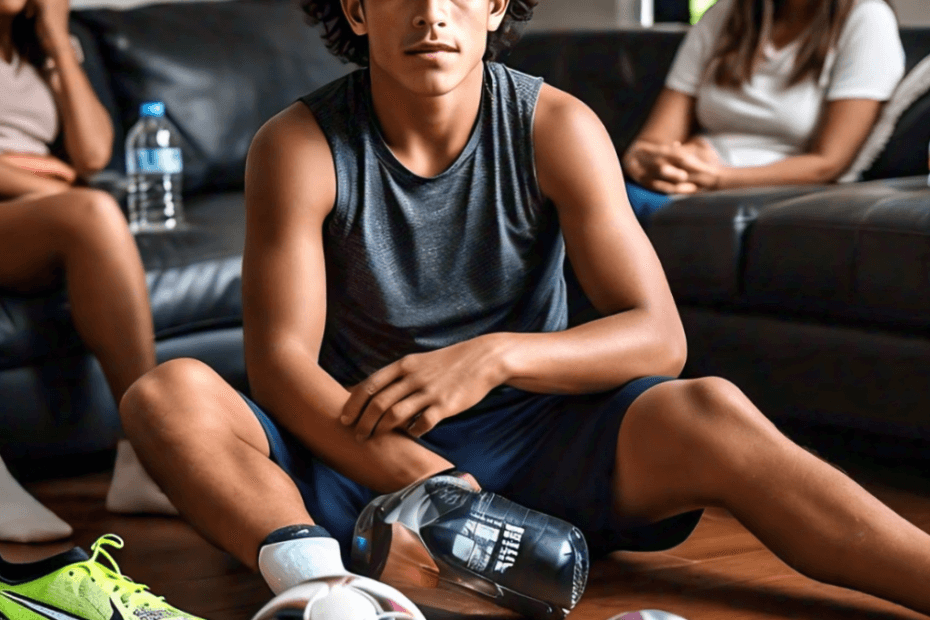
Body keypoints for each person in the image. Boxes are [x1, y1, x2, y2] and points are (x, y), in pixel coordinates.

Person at [118, 0, 930, 617]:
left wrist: (496, 354)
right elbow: (283, 369)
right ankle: (324, 591)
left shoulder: (558, 125)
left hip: (543, 442)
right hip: (363, 449)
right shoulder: (297, 145)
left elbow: (659, 337)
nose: (432, 14)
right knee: (166, 395)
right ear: (358, 11)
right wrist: (432, 487)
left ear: (499, 5)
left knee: (710, 405)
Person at [0, 0, 177, 545]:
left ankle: (144, 458)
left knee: (94, 210)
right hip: (35, 201)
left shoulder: (40, 48)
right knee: (93, 210)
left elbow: (95, 153)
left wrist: (55, 39)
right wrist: (47, 181)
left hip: (29, 218)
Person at [621, 0, 905, 223]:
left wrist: (718, 177)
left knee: (613, 212)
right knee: (595, 197)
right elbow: (651, 142)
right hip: (692, 176)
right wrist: (655, 164)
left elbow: (829, 163)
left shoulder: (867, 19)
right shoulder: (724, 14)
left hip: (768, 188)